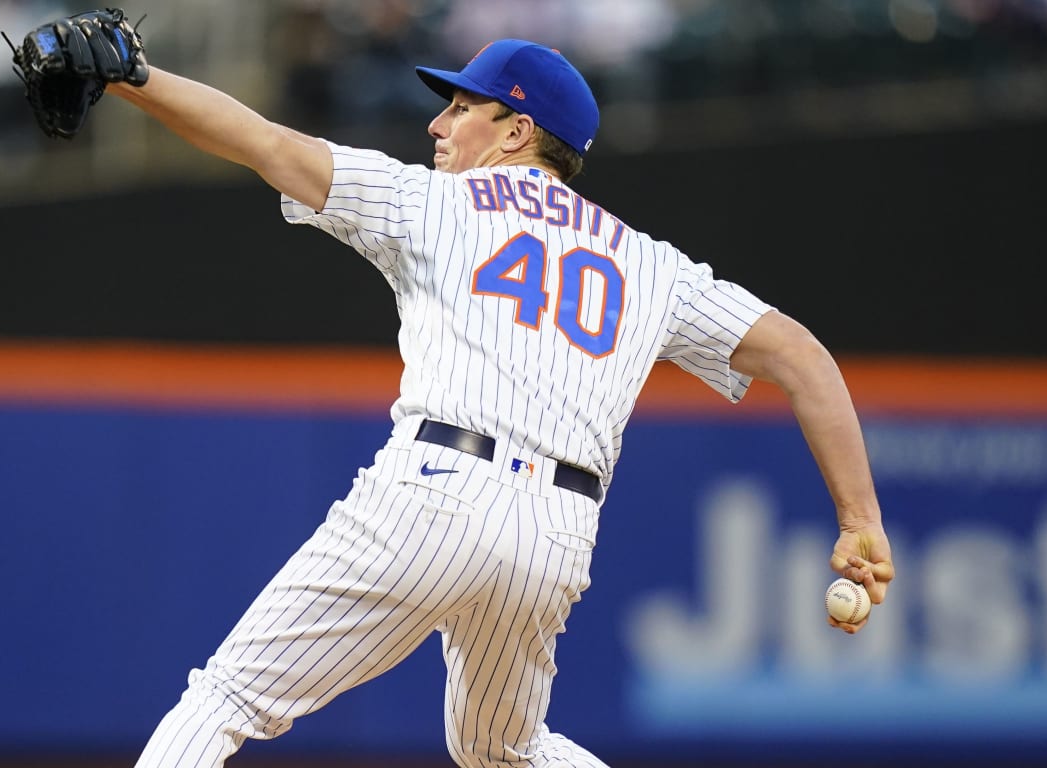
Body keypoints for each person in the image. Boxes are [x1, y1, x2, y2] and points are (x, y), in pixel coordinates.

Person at [98, 28, 893, 768]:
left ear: (516, 131)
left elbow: (264, 143)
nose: (439, 126)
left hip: (434, 491)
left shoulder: (431, 203)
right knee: (502, 749)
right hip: (557, 534)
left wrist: (131, 77)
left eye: (461, 107)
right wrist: (860, 519)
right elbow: (803, 357)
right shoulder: (650, 264)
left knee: (228, 695)